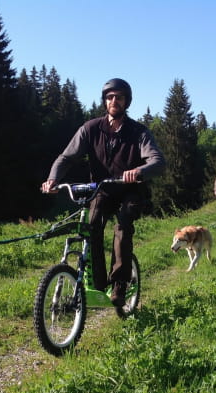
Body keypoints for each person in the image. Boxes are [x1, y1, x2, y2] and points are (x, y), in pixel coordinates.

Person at [41, 78, 165, 307]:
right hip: (102, 190)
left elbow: (157, 161)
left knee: (122, 228)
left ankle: (119, 284)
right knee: (93, 226)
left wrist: (139, 170)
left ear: (126, 101)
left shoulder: (139, 132)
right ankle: (98, 284)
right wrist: (53, 179)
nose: (114, 101)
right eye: (109, 97)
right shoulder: (91, 128)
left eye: (118, 97)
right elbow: (66, 157)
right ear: (104, 100)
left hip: (130, 191)